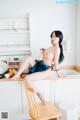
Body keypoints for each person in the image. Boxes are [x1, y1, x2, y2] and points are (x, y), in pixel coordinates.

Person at [11, 30, 64, 104]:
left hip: (46, 70)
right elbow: (42, 59)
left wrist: (58, 73)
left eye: (55, 36)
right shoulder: (50, 47)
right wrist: (43, 52)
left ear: (60, 38)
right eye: (52, 36)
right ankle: (17, 74)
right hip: (40, 65)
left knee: (27, 79)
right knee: (29, 58)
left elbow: (55, 62)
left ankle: (40, 93)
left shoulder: (57, 49)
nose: (53, 38)